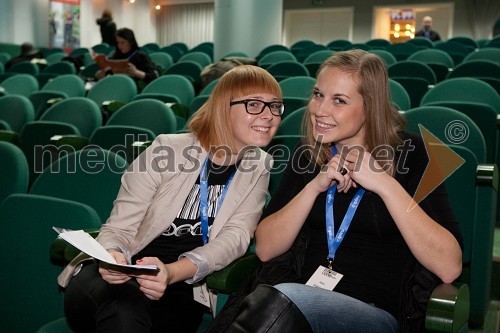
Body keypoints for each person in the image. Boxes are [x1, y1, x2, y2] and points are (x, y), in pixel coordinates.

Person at [218, 50, 463, 332]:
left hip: (372, 313)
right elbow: (265, 249)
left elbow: (449, 266)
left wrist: (384, 183)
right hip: (295, 304)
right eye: (318, 94)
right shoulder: (307, 156)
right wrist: (313, 188)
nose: (319, 110)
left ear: (370, 107)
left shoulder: (412, 153)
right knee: (283, 301)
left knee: (281, 302)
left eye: (339, 101)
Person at [58, 64, 285, 333]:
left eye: (275, 106)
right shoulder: (167, 150)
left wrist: (172, 272)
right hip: (116, 276)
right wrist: (112, 257)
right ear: (224, 107)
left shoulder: (260, 166)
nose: (269, 115)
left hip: (179, 283)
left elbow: (235, 238)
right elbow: (118, 227)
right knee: (126, 310)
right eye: (255, 105)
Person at [94, 27, 159, 85]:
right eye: (118, 43)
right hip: (115, 85)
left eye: (123, 43)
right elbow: (107, 75)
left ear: (131, 42)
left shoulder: (141, 56)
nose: (120, 46)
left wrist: (136, 72)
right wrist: (100, 75)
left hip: (133, 88)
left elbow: (153, 77)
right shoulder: (114, 56)